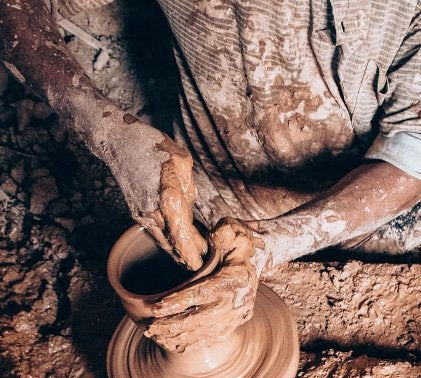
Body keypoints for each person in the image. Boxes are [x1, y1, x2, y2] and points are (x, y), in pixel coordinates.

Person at [1, 0, 420, 351]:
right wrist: (106, 129)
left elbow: (414, 142)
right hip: (204, 190)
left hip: (371, 206)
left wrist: (275, 244)